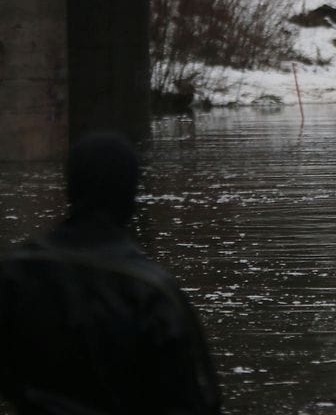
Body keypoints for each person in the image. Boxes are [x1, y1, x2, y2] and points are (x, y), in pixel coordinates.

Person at [0, 132, 222, 415]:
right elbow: (198, 400)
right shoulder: (152, 291)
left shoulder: (13, 273)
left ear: (70, 189)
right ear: (131, 197)